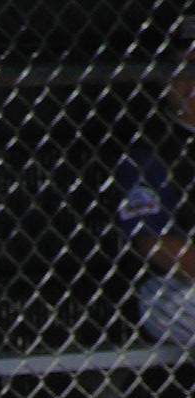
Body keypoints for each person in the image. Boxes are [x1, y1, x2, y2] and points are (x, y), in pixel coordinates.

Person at [114, 31, 195, 345]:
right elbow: (155, 244)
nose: (192, 84)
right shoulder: (149, 147)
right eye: (184, 71)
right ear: (164, 80)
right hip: (170, 286)